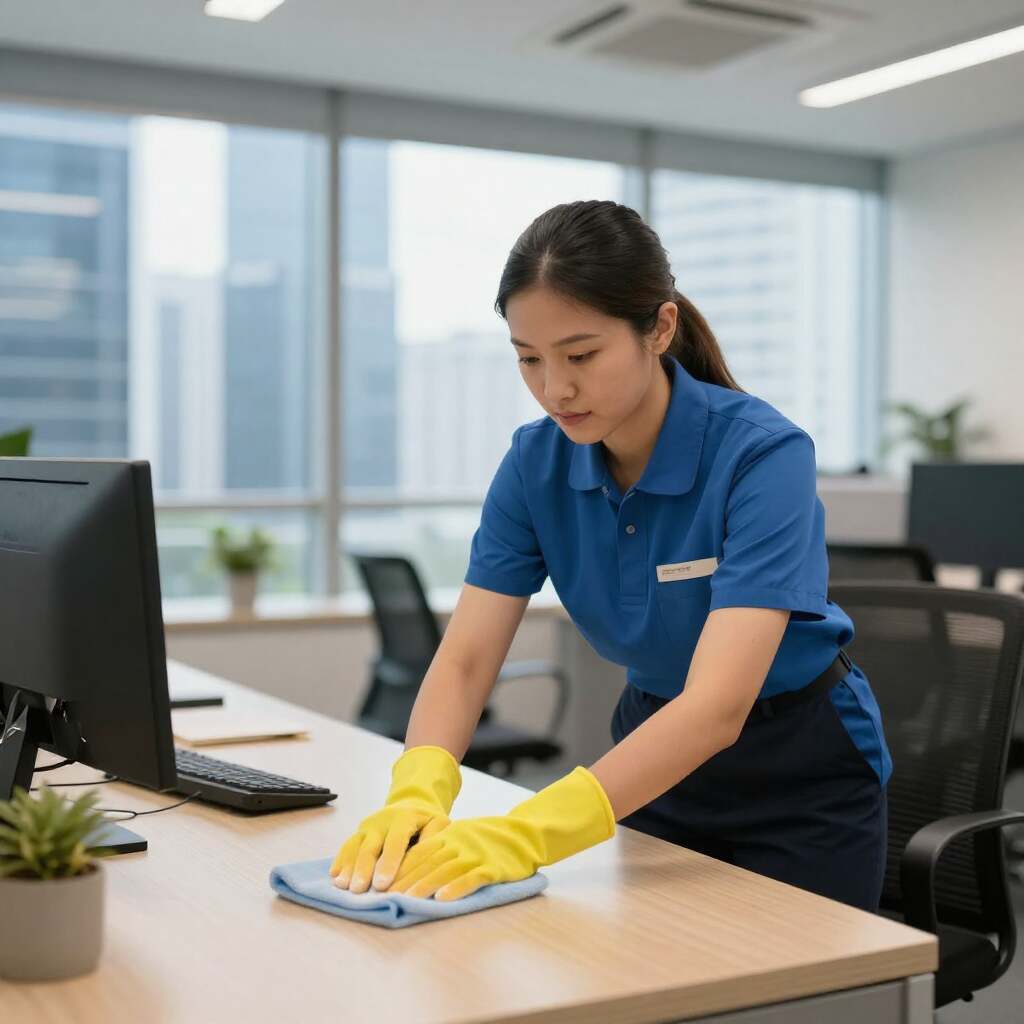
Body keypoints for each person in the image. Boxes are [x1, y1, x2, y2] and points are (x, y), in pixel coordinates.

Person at [330, 199, 891, 911]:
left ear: (659, 328)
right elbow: (468, 658)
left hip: (799, 775)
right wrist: (417, 788)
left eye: (581, 355)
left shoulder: (762, 454)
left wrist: (526, 833)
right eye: (529, 359)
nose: (554, 389)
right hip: (654, 760)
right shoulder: (535, 463)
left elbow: (719, 706)